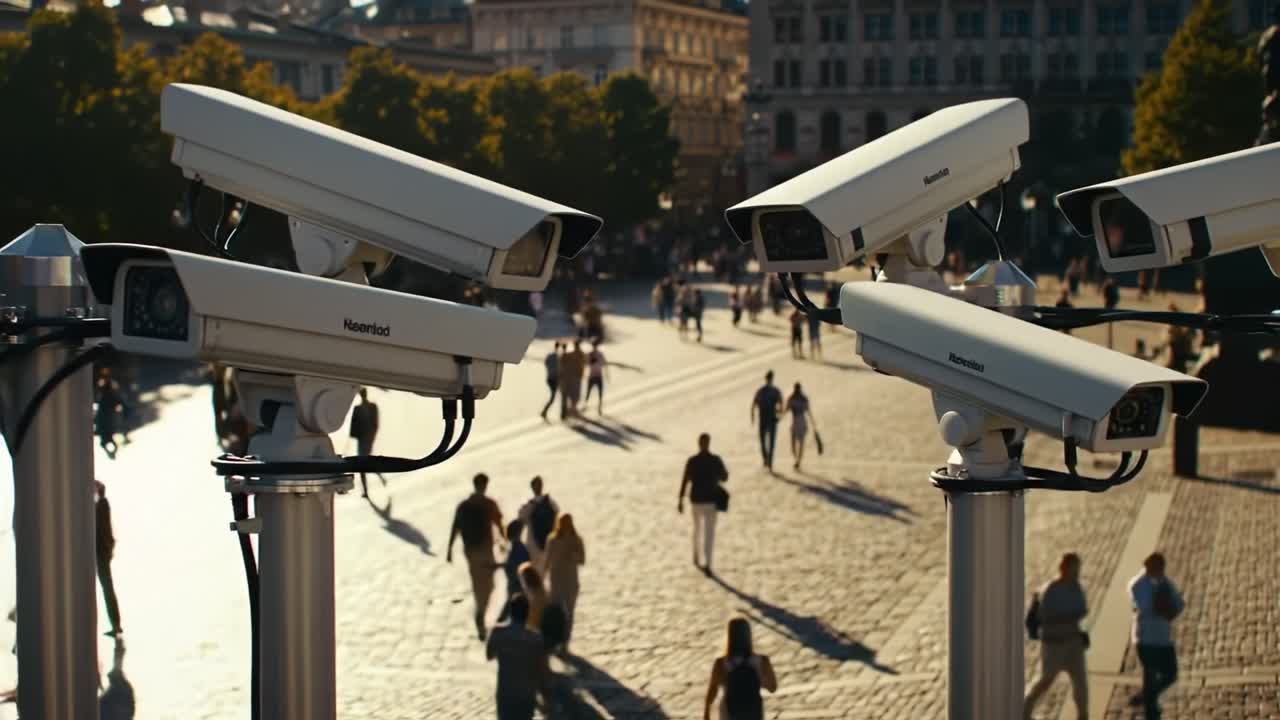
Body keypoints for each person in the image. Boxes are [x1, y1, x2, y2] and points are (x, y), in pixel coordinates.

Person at [1023, 553, 1088, 720]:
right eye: (1074, 569)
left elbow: (1082, 609)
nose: (1077, 573)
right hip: (1054, 644)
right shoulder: (1051, 590)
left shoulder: (1077, 588)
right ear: (1063, 569)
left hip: (1073, 642)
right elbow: (1045, 617)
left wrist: (1073, 616)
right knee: (1045, 680)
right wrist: (1067, 617)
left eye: (1078, 569)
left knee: (1080, 683)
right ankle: (1025, 708)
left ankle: (1083, 716)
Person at [447, 473, 505, 640]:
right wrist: (505, 540)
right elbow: (499, 523)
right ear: (485, 485)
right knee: (488, 585)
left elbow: (455, 527)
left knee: (479, 584)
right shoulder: (488, 503)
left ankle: (481, 612)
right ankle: (481, 614)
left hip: (470, 551)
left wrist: (450, 549)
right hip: (485, 549)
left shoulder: (464, 505)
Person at [1128, 552, 1184, 720]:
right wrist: (1165, 607)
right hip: (1145, 639)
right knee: (1150, 677)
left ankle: (1146, 697)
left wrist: (1172, 609)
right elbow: (1147, 607)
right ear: (1149, 566)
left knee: (1171, 674)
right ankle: (1151, 711)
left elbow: (1179, 604)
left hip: (1163, 638)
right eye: (1159, 568)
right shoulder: (1138, 584)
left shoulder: (1165, 582)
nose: (1162, 571)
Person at [486, 594, 547, 720]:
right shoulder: (535, 638)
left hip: (505, 692)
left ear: (511, 611)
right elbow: (541, 668)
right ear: (527, 613)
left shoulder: (498, 633)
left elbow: (489, 655)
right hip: (526, 694)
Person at [703, 617, 778, 720]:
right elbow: (772, 688)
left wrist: (706, 711)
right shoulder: (762, 661)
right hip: (753, 711)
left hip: (729, 711)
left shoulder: (721, 663)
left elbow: (713, 690)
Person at [679, 433, 729, 576]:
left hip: (696, 500)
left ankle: (696, 555)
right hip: (710, 501)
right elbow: (725, 477)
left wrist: (680, 499)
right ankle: (707, 562)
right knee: (709, 533)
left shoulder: (692, 461)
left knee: (697, 530)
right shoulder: (715, 460)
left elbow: (684, 480)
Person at [544, 514, 585, 650]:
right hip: (556, 579)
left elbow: (582, 560)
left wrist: (572, 555)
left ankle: (565, 640)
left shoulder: (576, 540)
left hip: (570, 580)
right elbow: (547, 560)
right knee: (556, 610)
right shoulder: (552, 540)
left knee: (569, 611)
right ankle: (555, 638)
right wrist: (543, 576)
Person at [95, 481, 123, 638]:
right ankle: (116, 625)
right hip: (102, 551)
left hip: (100, 552)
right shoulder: (101, 504)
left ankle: (116, 624)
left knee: (107, 588)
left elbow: (102, 528)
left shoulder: (101, 504)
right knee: (107, 588)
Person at [518, 475, 560, 572]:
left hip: (533, 544)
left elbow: (521, 519)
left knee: (535, 572)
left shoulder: (529, 506)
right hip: (549, 543)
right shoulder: (551, 503)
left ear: (532, 487)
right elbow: (557, 514)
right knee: (548, 572)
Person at [349, 389, 381, 498]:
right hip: (366, 439)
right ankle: (365, 489)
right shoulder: (370, 407)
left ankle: (365, 491)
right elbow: (376, 424)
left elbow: (354, 426)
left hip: (364, 439)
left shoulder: (359, 408)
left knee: (362, 464)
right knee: (365, 461)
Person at [498, 520, 530, 624]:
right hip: (519, 582)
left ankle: (502, 620)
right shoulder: (520, 547)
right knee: (514, 605)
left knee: (511, 604)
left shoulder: (510, 547)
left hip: (513, 581)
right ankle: (501, 620)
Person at [750, 372, 783, 471]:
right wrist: (779, 414)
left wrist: (752, 416)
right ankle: (768, 460)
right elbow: (781, 404)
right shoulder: (774, 391)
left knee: (764, 440)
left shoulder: (762, 391)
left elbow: (754, 404)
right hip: (769, 418)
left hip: (765, 418)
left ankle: (768, 460)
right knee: (768, 441)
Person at [784, 384, 816, 471]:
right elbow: (809, 412)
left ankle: (798, 460)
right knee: (797, 444)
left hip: (798, 421)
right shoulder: (800, 398)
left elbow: (786, 410)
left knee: (796, 443)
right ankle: (797, 459)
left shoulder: (794, 398)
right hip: (799, 421)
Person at [559, 340, 586, 420]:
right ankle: (569, 412)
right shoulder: (575, 354)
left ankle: (567, 412)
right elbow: (582, 365)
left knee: (568, 395)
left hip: (570, 377)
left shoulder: (570, 354)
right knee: (574, 395)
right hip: (572, 377)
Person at [583, 341, 608, 414]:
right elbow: (586, 363)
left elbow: (603, 363)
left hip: (597, 375)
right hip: (592, 375)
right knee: (588, 392)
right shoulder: (589, 354)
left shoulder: (600, 354)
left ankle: (599, 407)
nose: (594, 347)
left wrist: (597, 361)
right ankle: (585, 406)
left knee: (600, 393)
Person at [540, 342, 561, 420]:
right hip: (554, 379)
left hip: (550, 378)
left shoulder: (550, 356)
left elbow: (546, 363)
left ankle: (544, 411)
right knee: (553, 397)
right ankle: (544, 412)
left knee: (554, 397)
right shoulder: (558, 357)